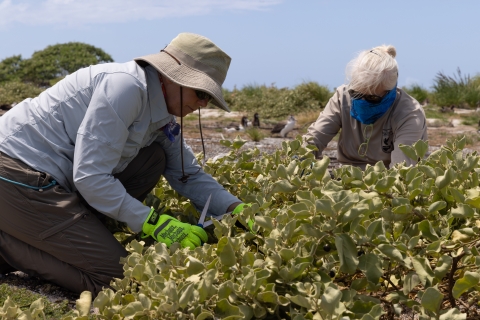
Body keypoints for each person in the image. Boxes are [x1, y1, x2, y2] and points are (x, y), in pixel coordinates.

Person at [0, 32, 247, 295]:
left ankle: (51, 231)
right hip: (16, 172)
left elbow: (189, 175)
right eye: (200, 92)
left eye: (208, 97)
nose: (202, 103)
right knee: (120, 279)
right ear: (174, 76)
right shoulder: (126, 87)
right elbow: (90, 177)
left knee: (153, 159)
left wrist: (239, 210)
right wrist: (154, 222)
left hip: (56, 181)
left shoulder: (163, 112)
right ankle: (7, 244)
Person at [304, 45, 427, 169]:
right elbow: (313, 140)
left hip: (387, 181)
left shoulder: (410, 113)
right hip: (347, 177)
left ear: (390, 91)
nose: (362, 101)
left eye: (372, 98)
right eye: (356, 94)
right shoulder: (343, 97)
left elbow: (402, 171)